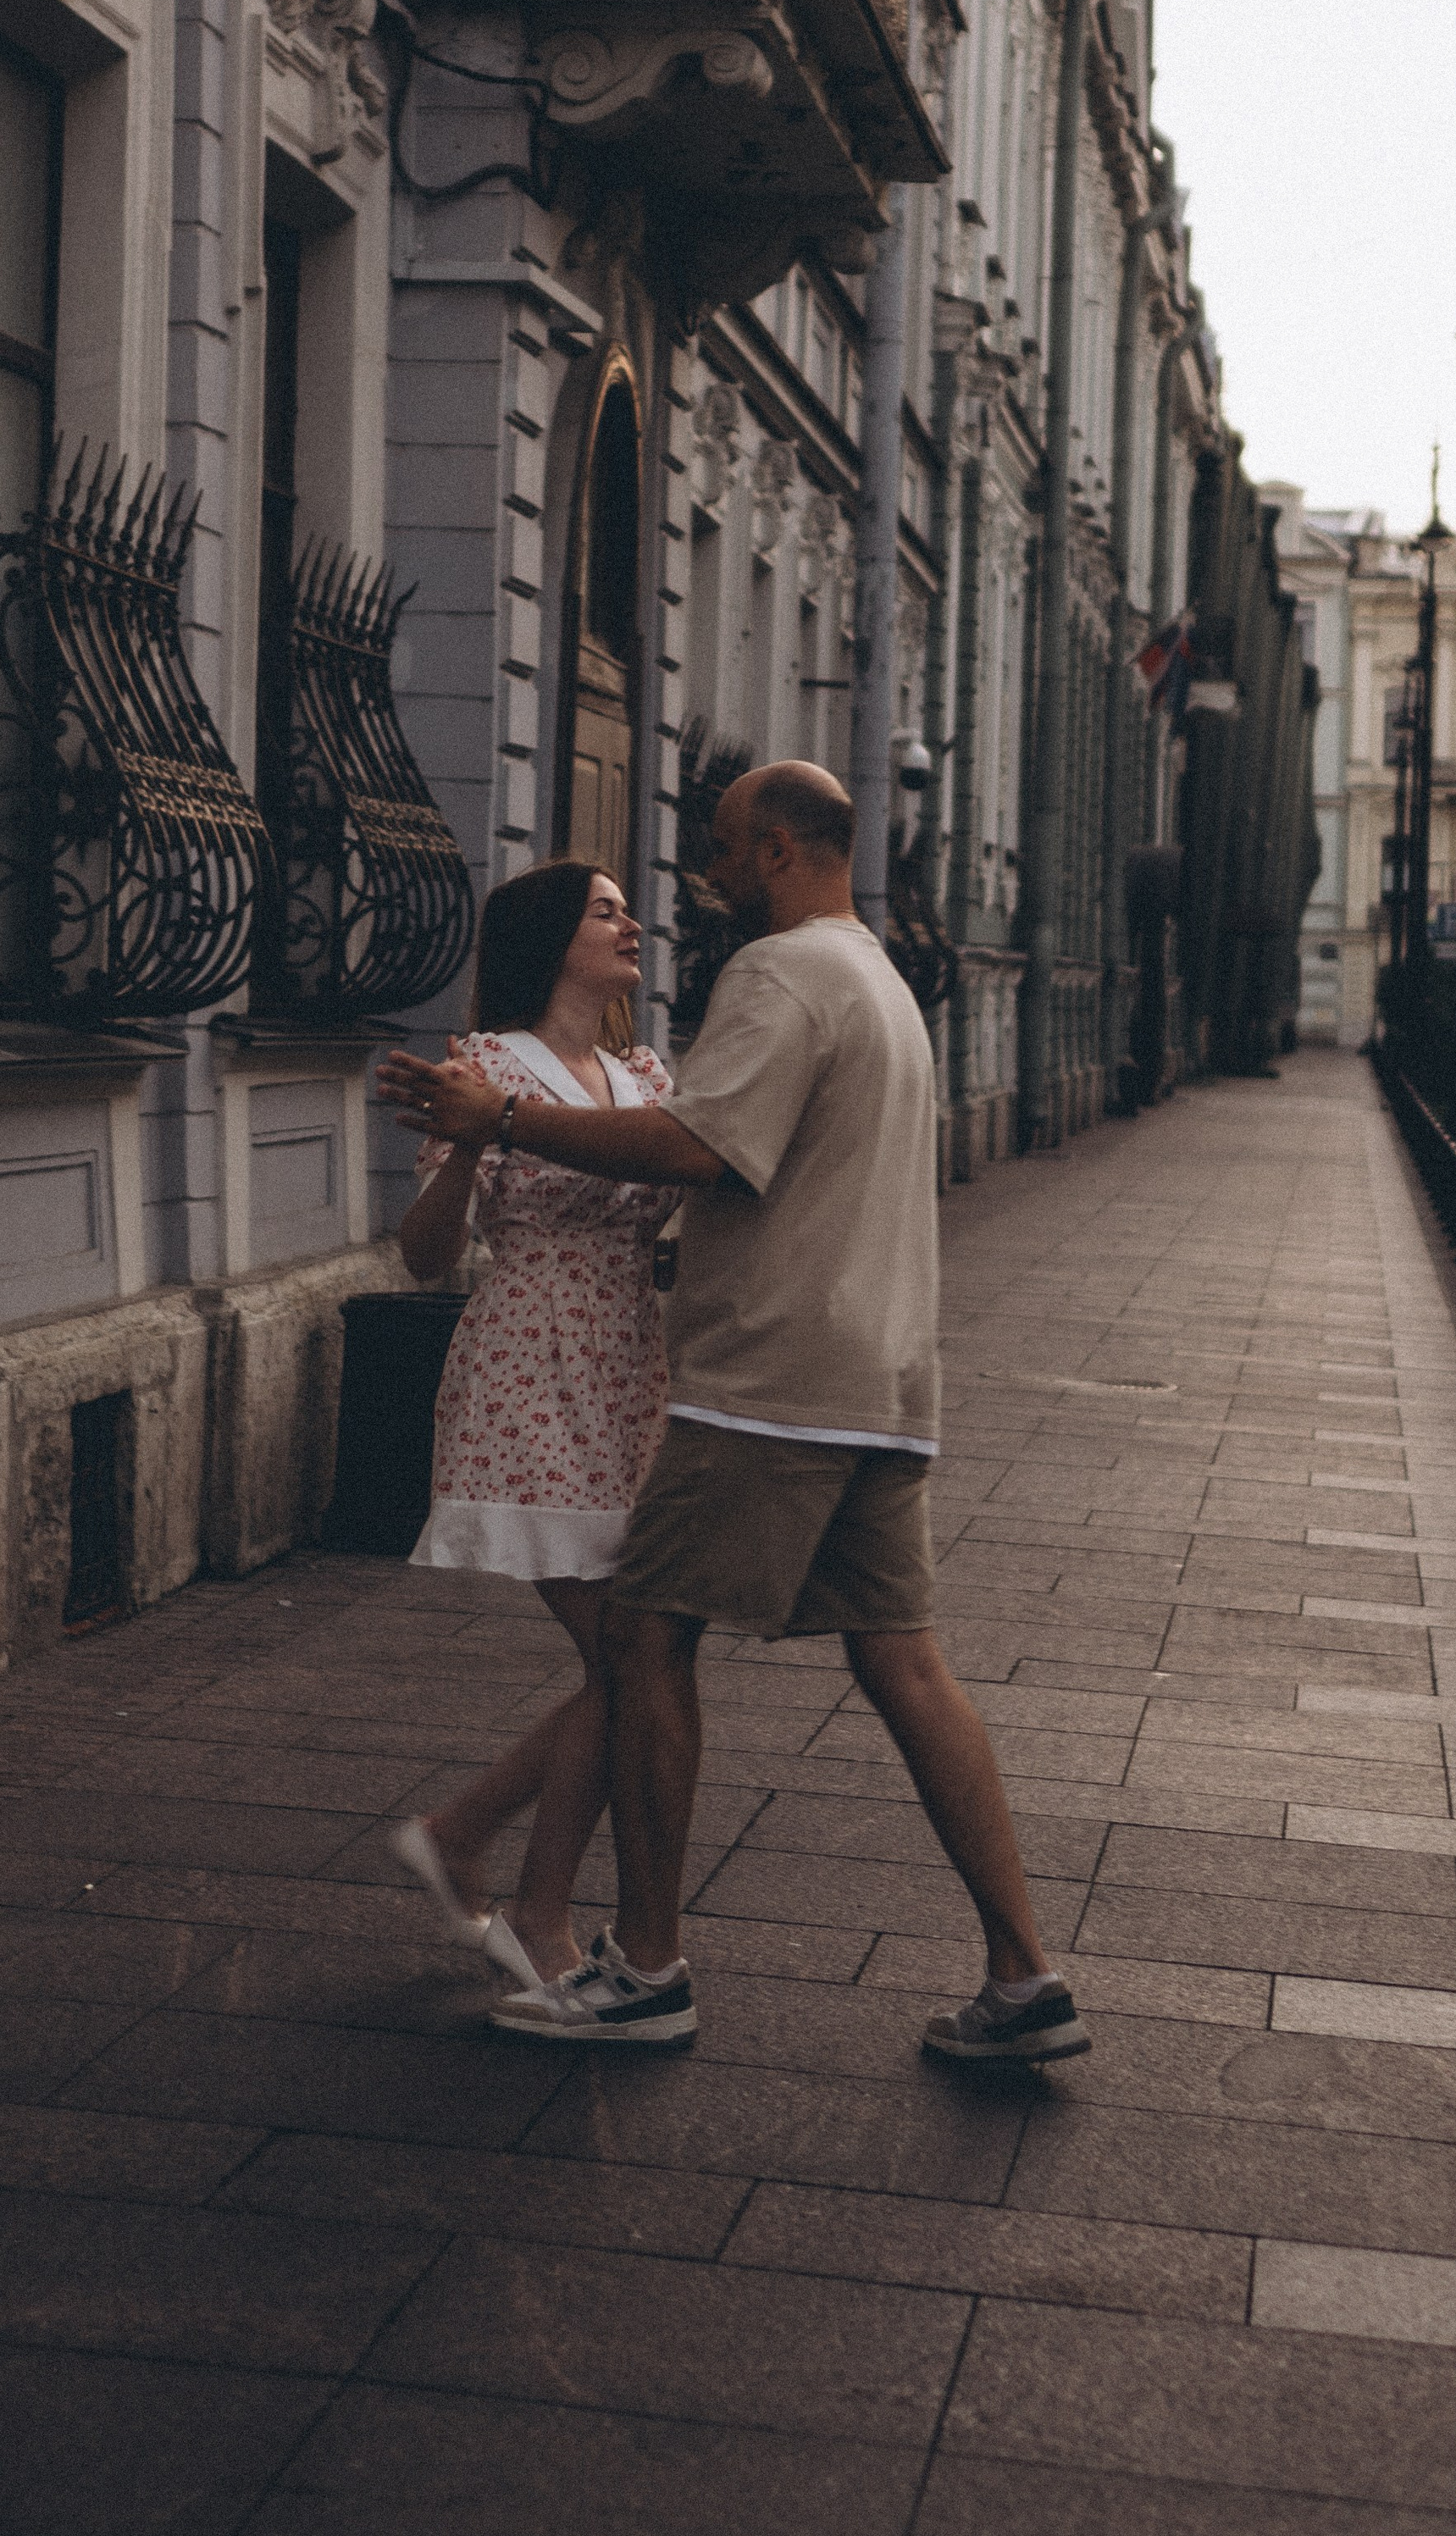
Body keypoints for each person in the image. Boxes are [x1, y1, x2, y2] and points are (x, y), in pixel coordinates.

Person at [379, 762, 1087, 2066]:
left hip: (770, 1382)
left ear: (771, 851)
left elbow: (701, 1151)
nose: (699, 880)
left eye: (718, 850)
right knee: (905, 1664)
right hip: (884, 1384)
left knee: (644, 1643)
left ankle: (645, 1969)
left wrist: (508, 1118)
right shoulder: (883, 981)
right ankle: (1024, 1975)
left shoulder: (780, 976)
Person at [386, 858, 680, 1996]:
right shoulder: (485, 1068)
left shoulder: (644, 1072)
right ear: (553, 939)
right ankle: (530, 1908)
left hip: (627, 1368)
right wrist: (466, 1142)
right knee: (624, 1656)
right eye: (606, 911)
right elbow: (425, 1256)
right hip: (527, 1364)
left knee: (633, 1659)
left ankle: (467, 1839)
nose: (632, 924)